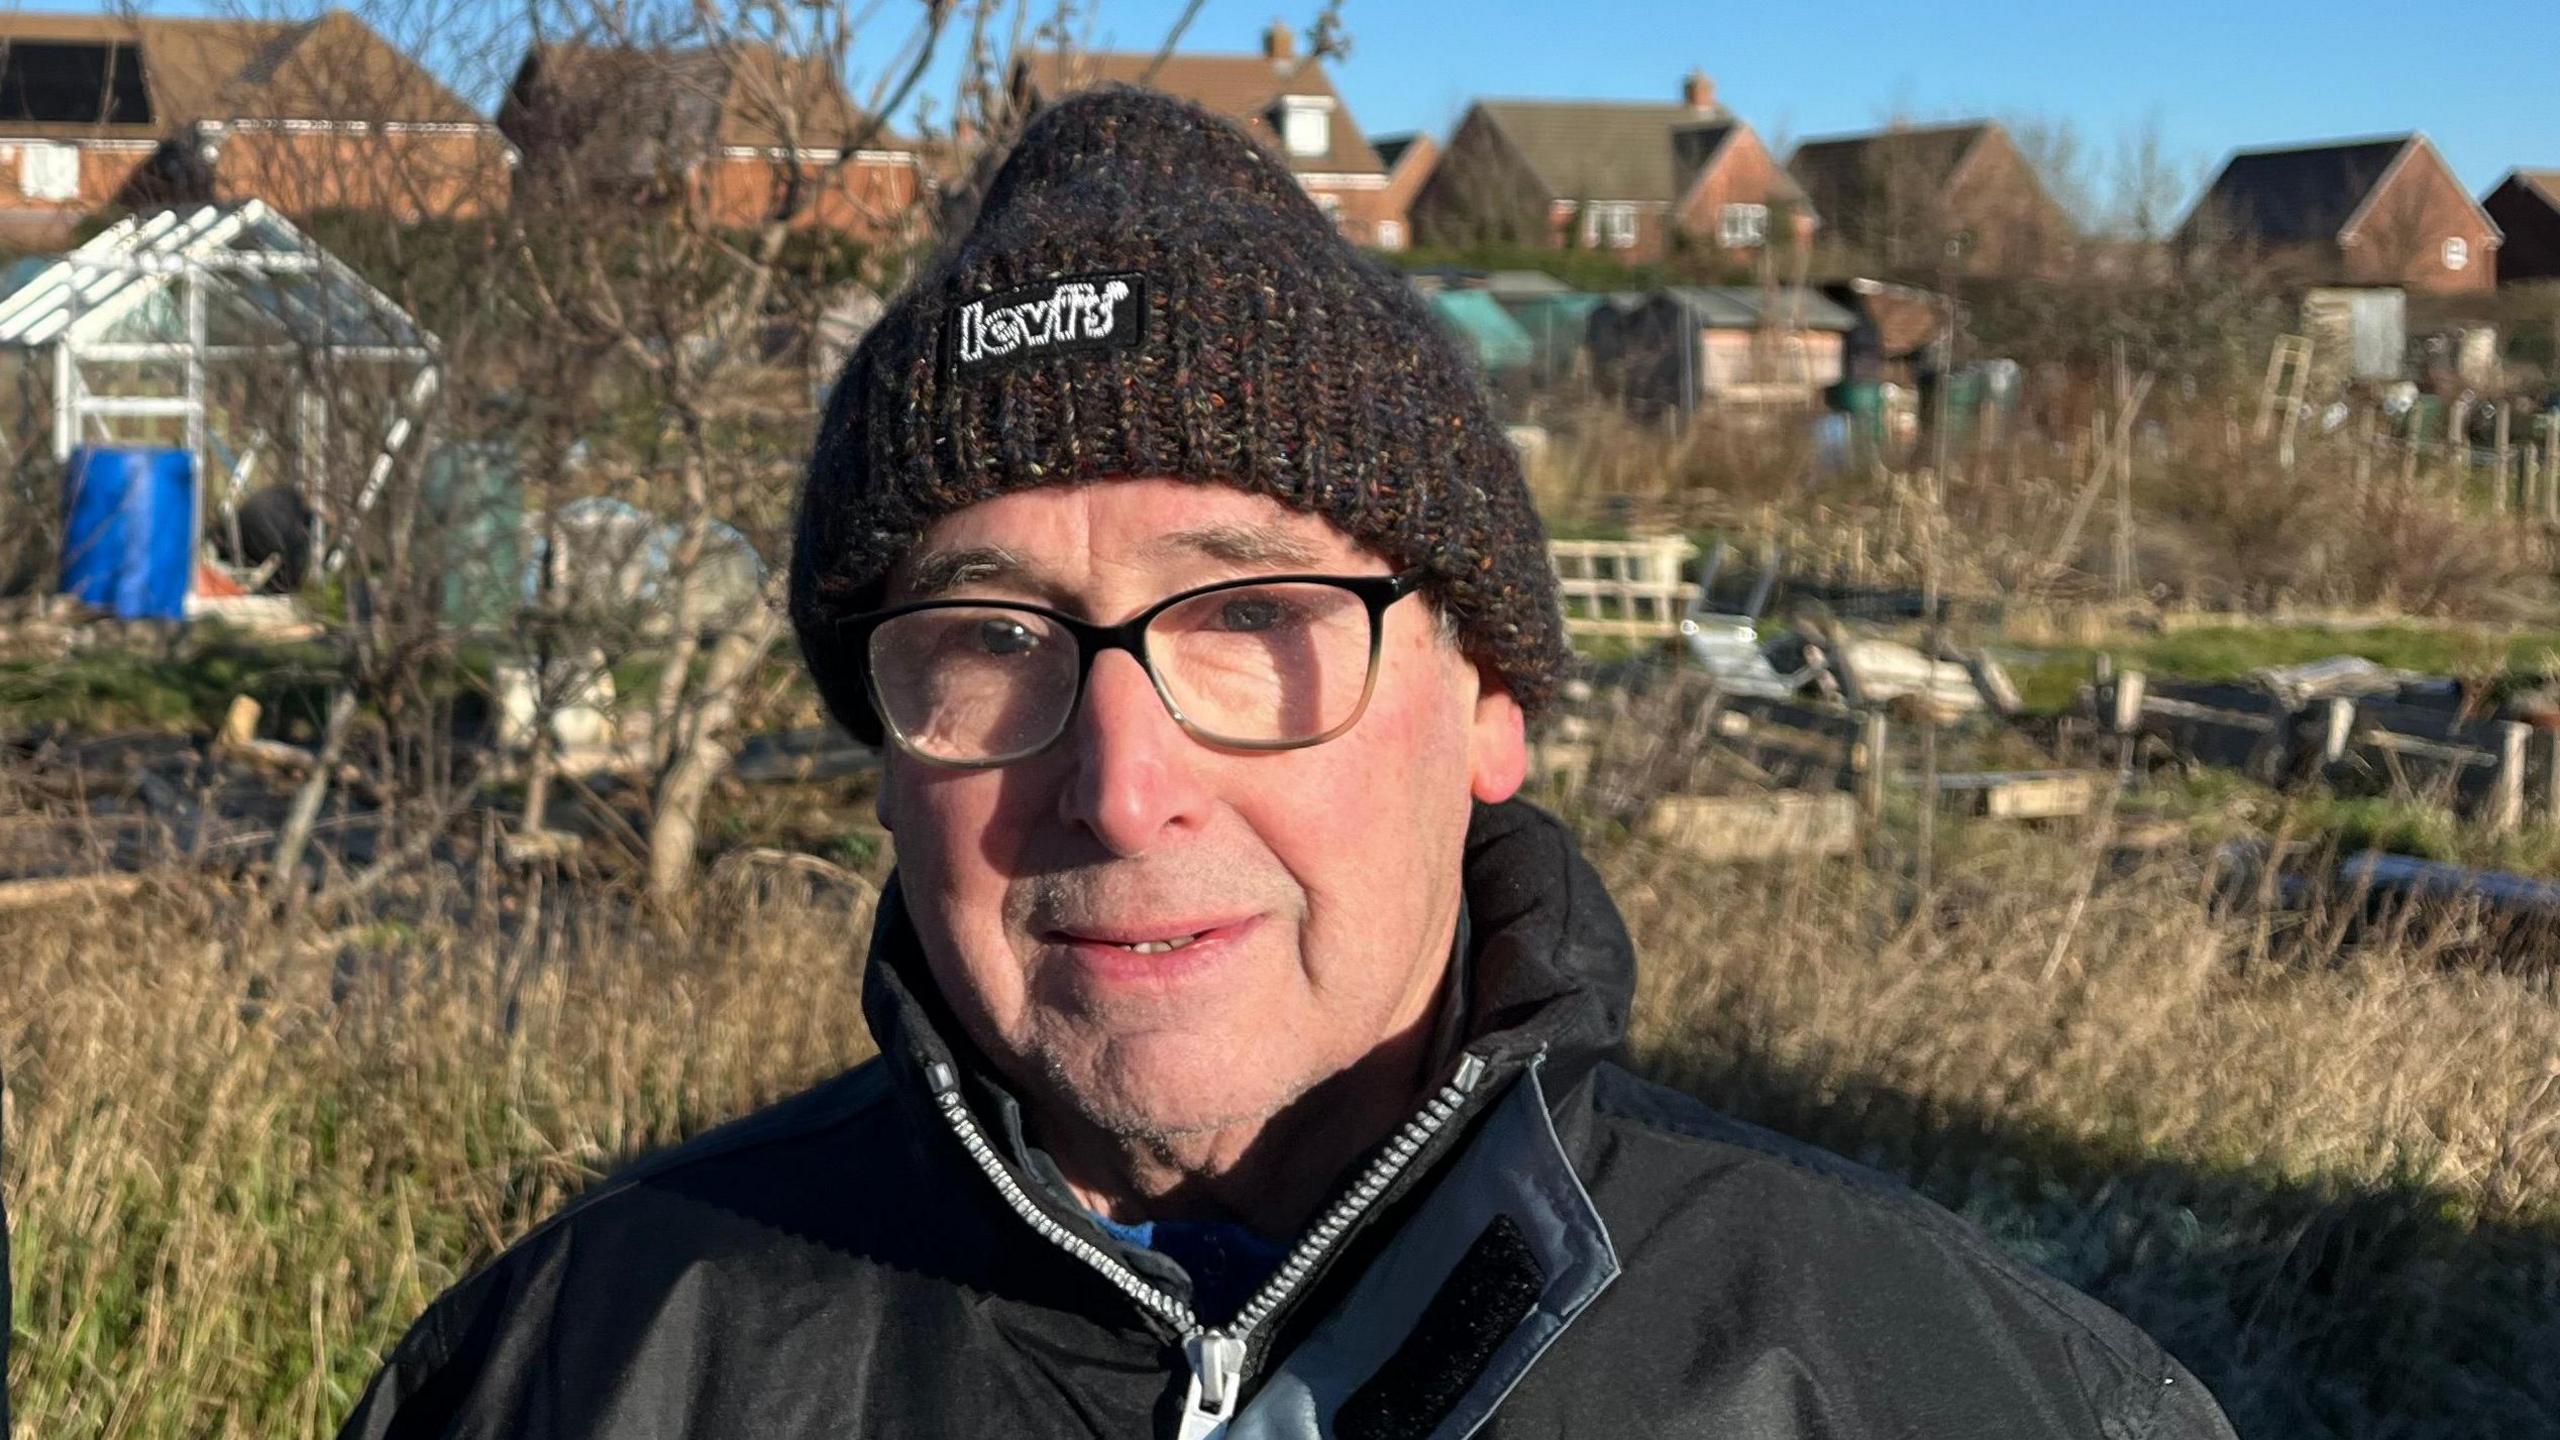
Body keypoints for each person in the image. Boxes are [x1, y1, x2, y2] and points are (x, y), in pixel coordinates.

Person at [337, 89, 2236, 1440]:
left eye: (1249, 619)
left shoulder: (1956, 1388)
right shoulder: (576, 1367)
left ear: (1490, 698)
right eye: (993, 645)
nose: (1120, 786)